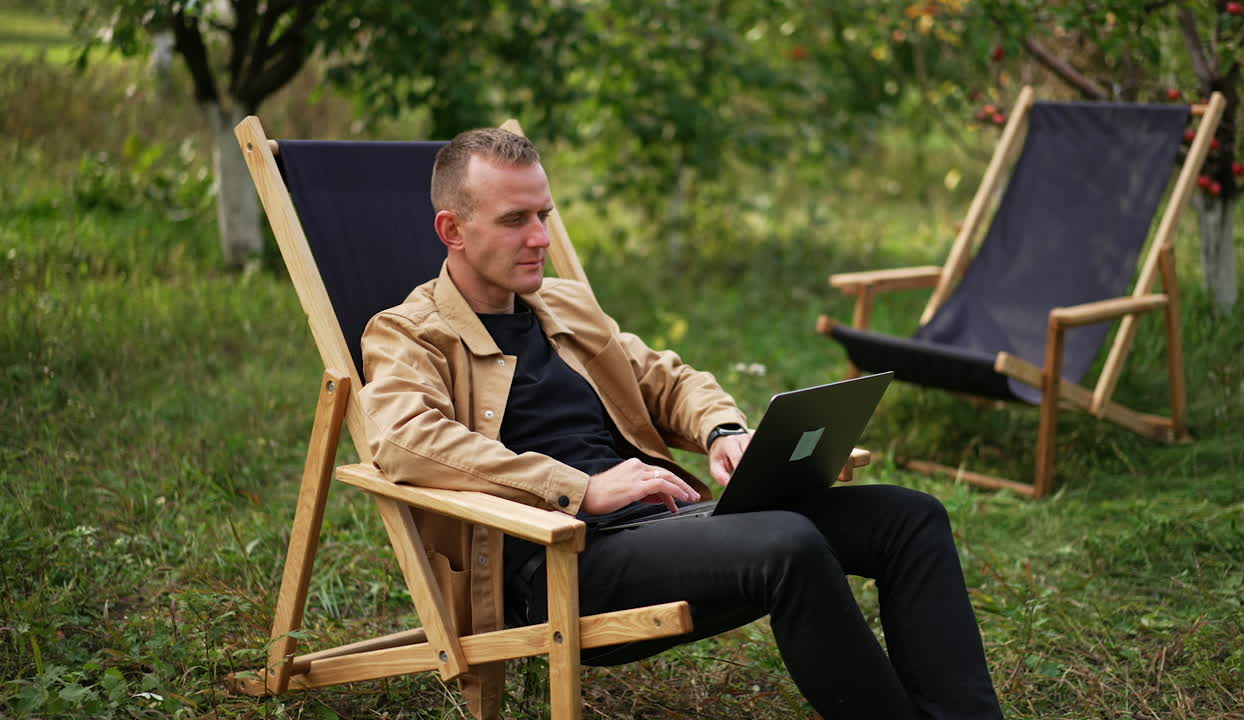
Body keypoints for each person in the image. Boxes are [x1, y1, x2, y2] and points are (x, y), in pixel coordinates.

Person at [359, 128, 1003, 719]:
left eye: (545, 216)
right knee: (788, 543)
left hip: (659, 529)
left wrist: (723, 430)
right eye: (515, 220)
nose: (540, 238)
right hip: (565, 563)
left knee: (910, 518)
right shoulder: (408, 332)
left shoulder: (562, 304)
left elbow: (666, 379)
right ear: (453, 230)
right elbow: (405, 439)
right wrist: (581, 490)